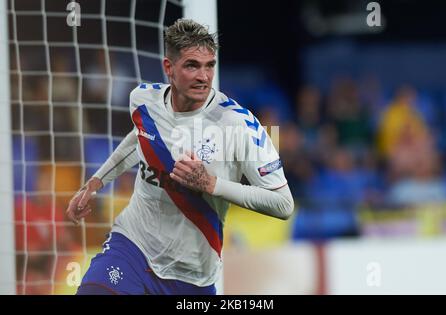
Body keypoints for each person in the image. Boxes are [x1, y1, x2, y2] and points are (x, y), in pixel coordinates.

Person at [66, 19, 294, 295]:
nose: (204, 76)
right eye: (191, 65)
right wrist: (97, 181)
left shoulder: (238, 125)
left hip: (191, 275)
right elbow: (139, 137)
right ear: (168, 68)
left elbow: (283, 205)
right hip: (133, 246)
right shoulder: (143, 100)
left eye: (209, 65)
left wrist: (212, 185)